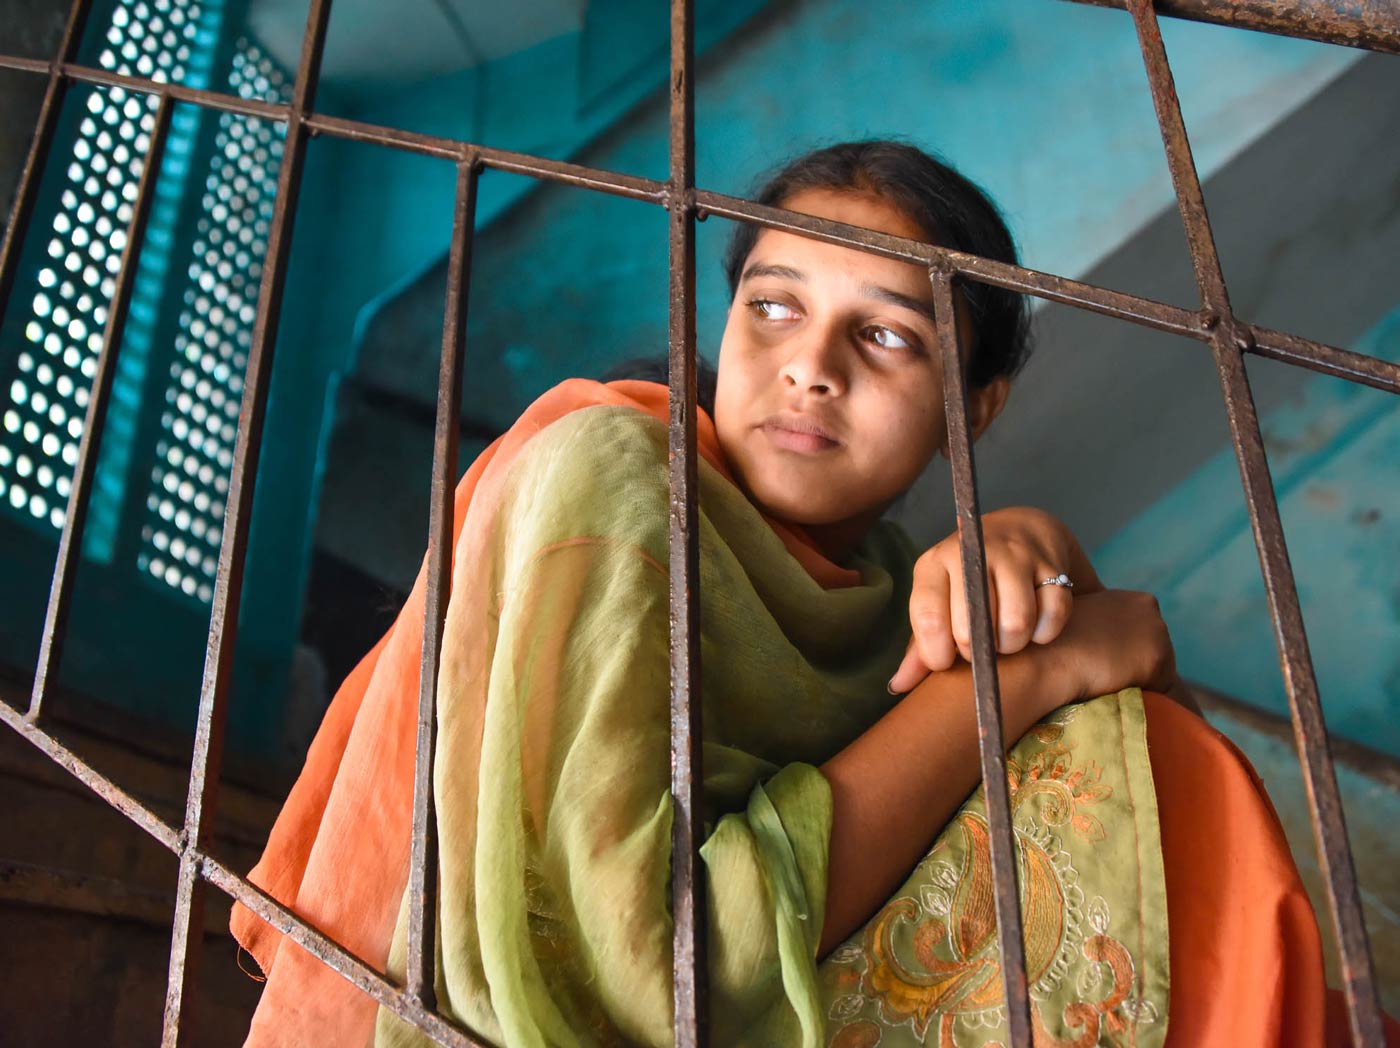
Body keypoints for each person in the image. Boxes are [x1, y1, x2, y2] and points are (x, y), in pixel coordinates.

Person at [232, 141, 1383, 1047]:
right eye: (772, 306)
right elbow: (647, 979)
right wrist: (1023, 675)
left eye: (883, 334)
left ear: (971, 410)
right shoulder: (615, 477)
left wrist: (1050, 563)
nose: (809, 365)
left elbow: (1145, 774)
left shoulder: (893, 596)